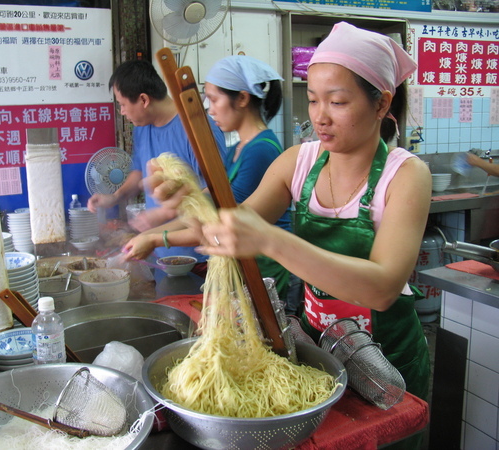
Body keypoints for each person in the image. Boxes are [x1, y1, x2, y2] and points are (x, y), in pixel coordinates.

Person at [148, 22, 431, 407]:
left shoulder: (406, 175)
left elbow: (382, 289)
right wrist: (189, 203)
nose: (320, 117)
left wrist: (270, 240)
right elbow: (226, 232)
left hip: (389, 368)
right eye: (313, 100)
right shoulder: (298, 162)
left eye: (338, 102)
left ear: (381, 103)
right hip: (319, 358)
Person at [123, 55, 297, 306]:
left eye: (214, 98)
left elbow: (220, 222)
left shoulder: (261, 151)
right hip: (247, 269)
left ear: (242, 98)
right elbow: (208, 207)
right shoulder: (239, 147)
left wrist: (154, 236)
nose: (209, 107)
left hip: (268, 274)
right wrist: (156, 227)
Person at [87, 59, 227, 273]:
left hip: (200, 256)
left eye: (123, 104)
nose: (122, 111)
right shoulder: (143, 127)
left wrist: (164, 213)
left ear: (143, 99)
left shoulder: (197, 129)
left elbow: (217, 192)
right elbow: (138, 171)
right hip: (160, 252)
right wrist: (115, 196)